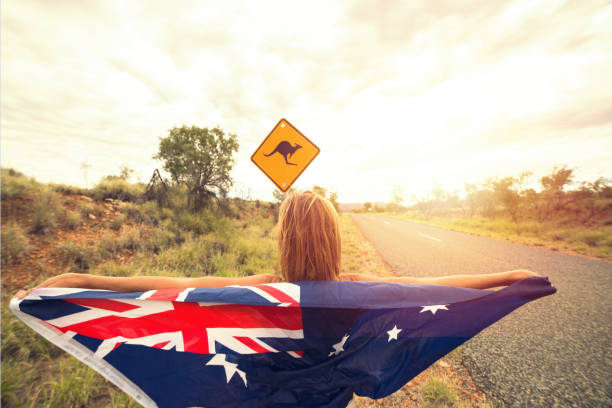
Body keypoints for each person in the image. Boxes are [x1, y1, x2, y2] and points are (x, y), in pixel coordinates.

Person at [15, 190, 537, 298]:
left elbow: (176, 285)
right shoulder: (356, 287)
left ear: (282, 237)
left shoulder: (260, 288)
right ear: (335, 239)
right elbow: (424, 285)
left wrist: (85, 279)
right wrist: (503, 277)